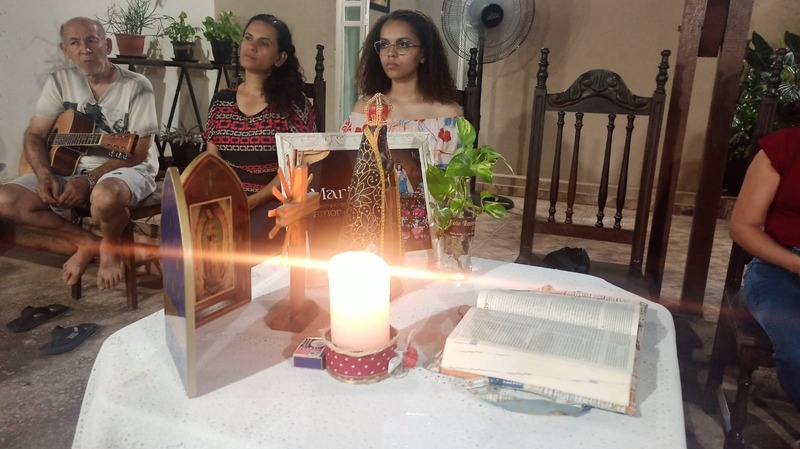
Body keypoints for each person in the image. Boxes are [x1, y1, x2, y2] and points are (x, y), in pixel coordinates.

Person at [0, 17, 159, 291]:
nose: (84, 49)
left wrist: (89, 180)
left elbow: (138, 151)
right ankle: (86, 242)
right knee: (5, 200)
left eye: (92, 41)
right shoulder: (60, 81)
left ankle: (109, 246)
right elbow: (35, 134)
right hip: (67, 168)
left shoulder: (137, 85)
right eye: (75, 43)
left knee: (104, 196)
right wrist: (44, 174)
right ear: (65, 50)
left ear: (107, 46)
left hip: (126, 167)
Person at [204, 14, 315, 257]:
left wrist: (251, 201)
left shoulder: (294, 104)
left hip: (275, 202)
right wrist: (223, 201)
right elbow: (213, 161)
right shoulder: (222, 101)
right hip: (229, 198)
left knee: (244, 241)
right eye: (248, 38)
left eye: (263, 43)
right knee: (187, 234)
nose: (252, 46)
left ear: (280, 57)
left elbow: (294, 170)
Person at [730, 126, 800, 409]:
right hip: (779, 267)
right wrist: (796, 264)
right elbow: (742, 226)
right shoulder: (785, 147)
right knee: (796, 348)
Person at [341, 9, 462, 166]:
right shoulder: (364, 109)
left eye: (403, 44)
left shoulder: (447, 116)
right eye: (384, 45)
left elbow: (456, 178)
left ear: (423, 54)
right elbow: (346, 170)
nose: (391, 53)